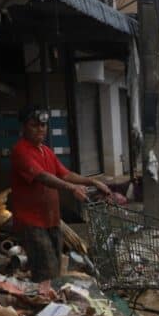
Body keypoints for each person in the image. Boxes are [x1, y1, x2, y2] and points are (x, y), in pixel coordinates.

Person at [10, 105, 111, 281]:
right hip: (32, 222)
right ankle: (46, 306)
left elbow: (65, 173)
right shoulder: (21, 151)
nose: (40, 129)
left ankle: (51, 304)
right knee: (45, 272)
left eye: (43, 125)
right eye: (34, 125)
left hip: (52, 220)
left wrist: (92, 181)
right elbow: (42, 176)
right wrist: (71, 188)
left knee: (55, 268)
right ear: (23, 127)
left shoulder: (46, 151)